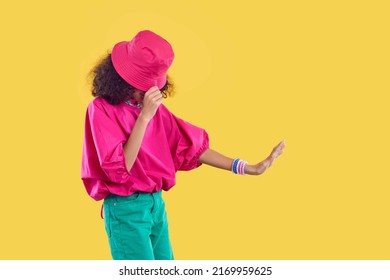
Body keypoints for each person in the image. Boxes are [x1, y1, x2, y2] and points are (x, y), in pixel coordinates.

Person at [81, 30, 286, 260]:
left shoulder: (152, 110)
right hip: (125, 209)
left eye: (152, 87)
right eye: (143, 86)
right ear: (121, 78)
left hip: (155, 205)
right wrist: (144, 118)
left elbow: (192, 147)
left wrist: (248, 167)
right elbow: (119, 169)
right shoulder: (100, 110)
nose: (149, 93)